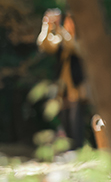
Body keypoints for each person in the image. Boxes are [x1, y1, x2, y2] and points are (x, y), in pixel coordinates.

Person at [36, 9, 88, 150]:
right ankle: (70, 151)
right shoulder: (61, 39)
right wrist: (47, 25)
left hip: (77, 89)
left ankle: (78, 150)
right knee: (65, 121)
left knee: (75, 121)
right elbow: (44, 44)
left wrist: (58, 28)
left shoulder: (81, 40)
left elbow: (72, 45)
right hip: (62, 89)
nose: (68, 24)